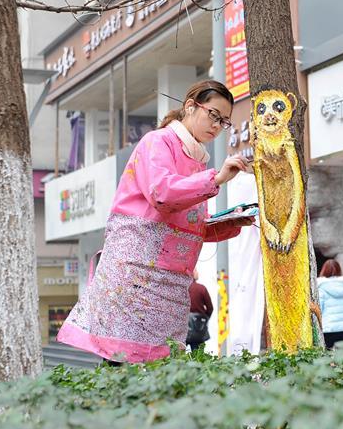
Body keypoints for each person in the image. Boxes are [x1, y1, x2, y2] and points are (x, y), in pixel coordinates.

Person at [57, 80, 254, 364]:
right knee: (122, 361)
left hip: (170, 282)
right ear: (190, 106)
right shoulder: (158, 141)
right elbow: (162, 194)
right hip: (137, 273)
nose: (216, 125)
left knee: (161, 366)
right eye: (213, 114)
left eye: (223, 121)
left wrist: (232, 222)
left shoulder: (197, 160)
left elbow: (183, 224)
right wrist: (217, 178)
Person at [317, 259, 343, 349]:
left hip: (328, 329)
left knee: (327, 358)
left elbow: (319, 311)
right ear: (339, 270)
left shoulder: (321, 289)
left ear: (324, 271)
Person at [186, 270, 213, 352]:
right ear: (192, 273)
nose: (198, 272)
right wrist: (204, 318)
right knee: (197, 356)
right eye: (196, 270)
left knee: (179, 356)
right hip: (198, 326)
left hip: (183, 325)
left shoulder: (181, 288)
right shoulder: (201, 288)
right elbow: (210, 308)